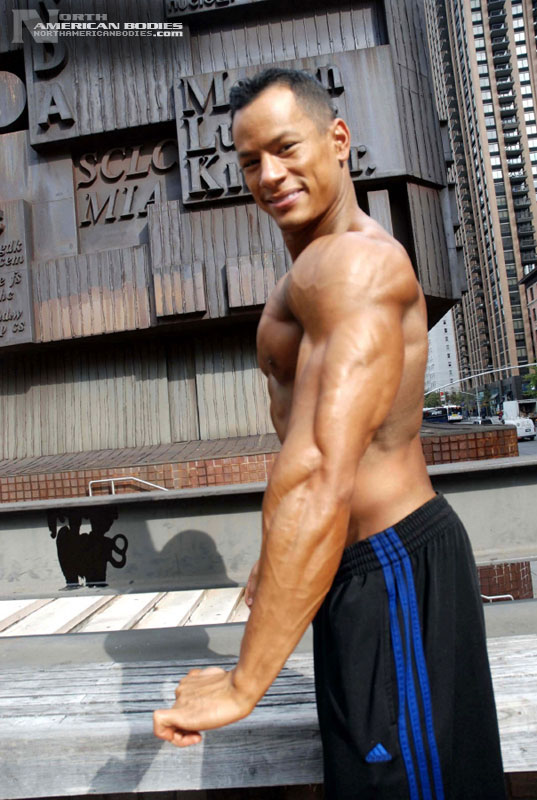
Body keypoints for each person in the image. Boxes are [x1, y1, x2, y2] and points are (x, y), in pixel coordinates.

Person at [154, 68, 506, 799]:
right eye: (250, 161)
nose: (269, 175)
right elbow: (303, 441)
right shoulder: (306, 276)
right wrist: (277, 566)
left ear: (337, 140)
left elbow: (319, 468)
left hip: (394, 575)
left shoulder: (356, 267)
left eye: (286, 148)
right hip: (356, 578)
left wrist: (245, 682)